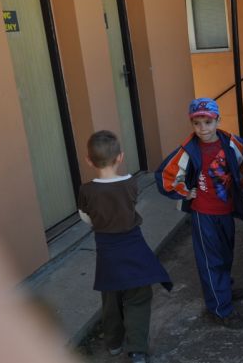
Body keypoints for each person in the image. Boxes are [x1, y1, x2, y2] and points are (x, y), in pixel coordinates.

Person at [155, 98, 243, 329]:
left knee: (226, 254)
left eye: (208, 122)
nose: (203, 128)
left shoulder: (231, 143)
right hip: (203, 214)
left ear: (218, 120)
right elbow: (165, 175)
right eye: (197, 123)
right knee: (210, 261)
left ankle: (223, 289)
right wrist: (184, 191)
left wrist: (240, 189)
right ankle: (220, 309)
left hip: (225, 211)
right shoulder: (188, 149)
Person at [79, 130, 172, 363]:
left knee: (110, 296)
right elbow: (130, 205)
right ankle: (137, 350)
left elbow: (85, 217)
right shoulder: (131, 183)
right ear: (120, 157)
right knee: (138, 297)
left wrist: (101, 222)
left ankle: (113, 343)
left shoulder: (86, 190)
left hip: (107, 251)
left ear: (89, 160)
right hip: (133, 247)